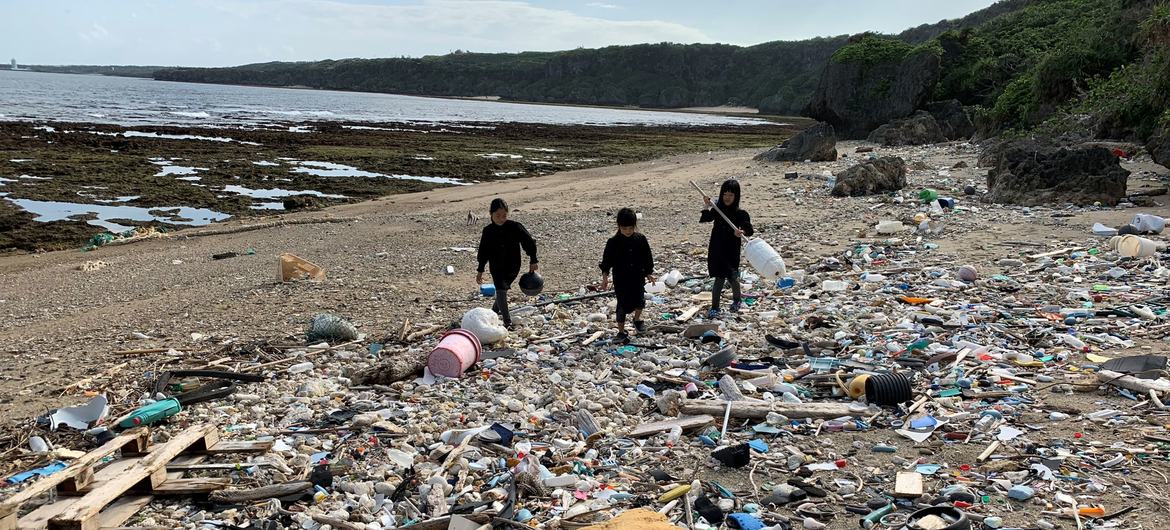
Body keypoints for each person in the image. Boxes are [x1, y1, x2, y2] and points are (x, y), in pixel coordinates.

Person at [476, 198, 538, 329]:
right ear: (490, 214)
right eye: (497, 215)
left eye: (504, 215)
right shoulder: (487, 231)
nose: (501, 218)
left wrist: (533, 260)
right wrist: (480, 269)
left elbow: (529, 242)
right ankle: (507, 322)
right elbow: (483, 251)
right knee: (501, 289)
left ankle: (492, 313)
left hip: (513, 265)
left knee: (501, 291)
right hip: (496, 266)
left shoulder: (515, 227)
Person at [700, 179, 753, 318]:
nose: (727, 197)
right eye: (725, 194)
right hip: (717, 248)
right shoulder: (718, 210)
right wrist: (706, 205)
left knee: (732, 277)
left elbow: (748, 229)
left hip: (731, 250)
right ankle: (715, 307)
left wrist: (741, 232)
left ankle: (737, 300)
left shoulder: (741, 213)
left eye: (731, 195)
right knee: (719, 278)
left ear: (736, 196)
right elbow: (706, 218)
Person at [599, 208, 655, 341]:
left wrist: (649, 273)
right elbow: (607, 262)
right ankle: (621, 331)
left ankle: (637, 320)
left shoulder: (640, 239)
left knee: (639, 300)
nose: (628, 231)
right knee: (622, 305)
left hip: (637, 276)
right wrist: (605, 278)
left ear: (634, 226)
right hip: (621, 278)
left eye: (630, 228)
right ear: (619, 226)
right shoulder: (613, 242)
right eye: (625, 229)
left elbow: (647, 258)